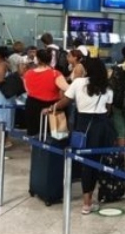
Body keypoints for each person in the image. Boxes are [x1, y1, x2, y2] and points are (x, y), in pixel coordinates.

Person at [46, 58, 113, 215]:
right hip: (101, 126)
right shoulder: (107, 86)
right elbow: (108, 109)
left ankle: (86, 202)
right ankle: (90, 199)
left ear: (87, 69)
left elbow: (65, 101)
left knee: (85, 162)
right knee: (96, 161)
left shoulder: (78, 83)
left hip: (83, 124)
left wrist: (51, 107)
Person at [23, 49, 69, 136]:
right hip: (52, 107)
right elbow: (68, 89)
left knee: (34, 133)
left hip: (32, 105)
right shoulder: (55, 74)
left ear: (37, 59)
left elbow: (27, 89)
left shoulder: (28, 73)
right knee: (57, 135)